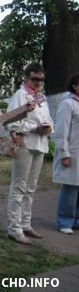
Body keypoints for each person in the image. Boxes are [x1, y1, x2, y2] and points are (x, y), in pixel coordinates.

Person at [6, 62, 53, 245]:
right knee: (19, 187)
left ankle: (25, 223)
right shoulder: (20, 95)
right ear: (26, 78)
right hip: (25, 144)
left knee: (31, 188)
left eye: (41, 79)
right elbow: (11, 121)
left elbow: (48, 118)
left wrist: (48, 128)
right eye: (35, 79)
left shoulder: (41, 97)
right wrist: (35, 128)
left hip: (40, 145)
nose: (39, 82)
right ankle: (14, 228)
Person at [53, 72, 79, 234]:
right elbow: (61, 131)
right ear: (75, 85)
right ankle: (64, 221)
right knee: (70, 188)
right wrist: (64, 154)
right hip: (73, 152)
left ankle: (76, 219)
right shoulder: (68, 104)